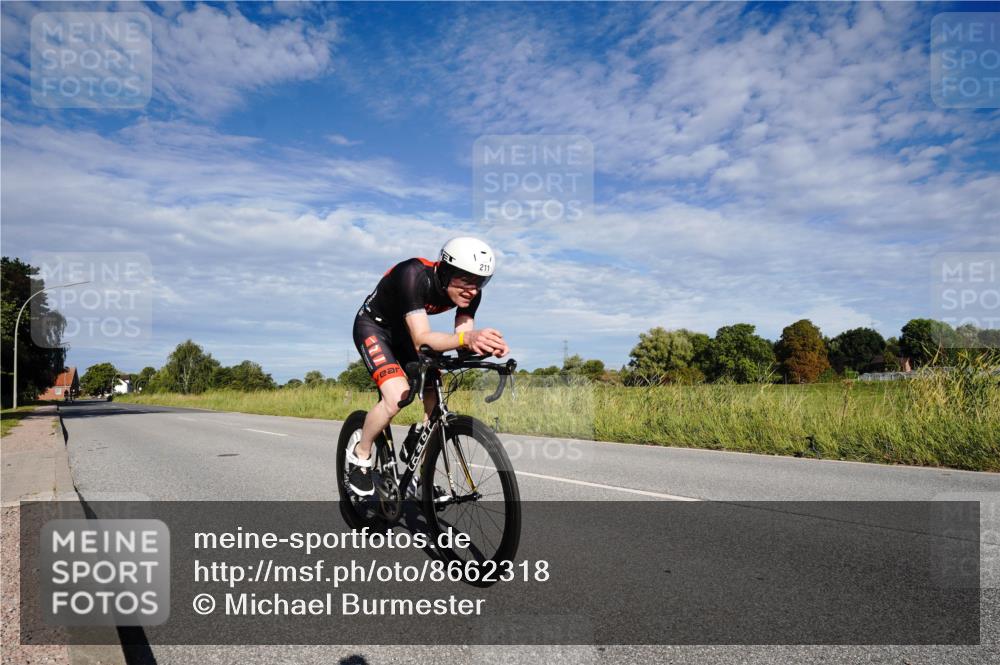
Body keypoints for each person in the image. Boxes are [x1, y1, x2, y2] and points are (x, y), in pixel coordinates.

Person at [347, 237, 509, 496]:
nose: (473, 289)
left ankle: (419, 474)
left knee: (434, 393)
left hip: (406, 332)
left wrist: (483, 346)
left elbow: (462, 338)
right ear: (445, 271)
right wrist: (466, 338)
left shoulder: (471, 295)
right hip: (374, 326)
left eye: (480, 281)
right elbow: (423, 338)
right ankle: (361, 456)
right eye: (466, 279)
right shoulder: (412, 275)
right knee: (397, 396)